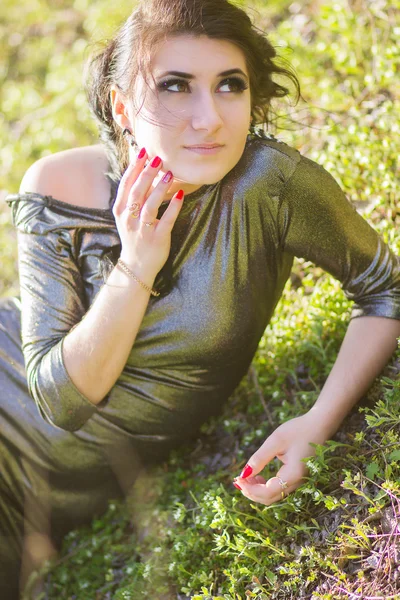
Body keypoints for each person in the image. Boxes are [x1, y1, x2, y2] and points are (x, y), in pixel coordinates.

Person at [2, 0, 400, 596]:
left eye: (229, 86)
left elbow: (385, 290)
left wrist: (319, 420)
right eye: (174, 87)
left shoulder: (268, 186)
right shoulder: (61, 188)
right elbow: (60, 398)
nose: (208, 118)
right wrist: (136, 264)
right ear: (122, 108)